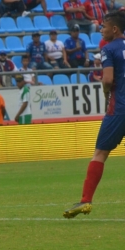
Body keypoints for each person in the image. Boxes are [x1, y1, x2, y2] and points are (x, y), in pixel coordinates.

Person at [63, 11, 125, 219]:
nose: (100, 30)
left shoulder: (108, 49)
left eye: (104, 27)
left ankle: (85, 200)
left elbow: (107, 80)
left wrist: (107, 93)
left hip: (119, 108)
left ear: (114, 29)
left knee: (100, 153)